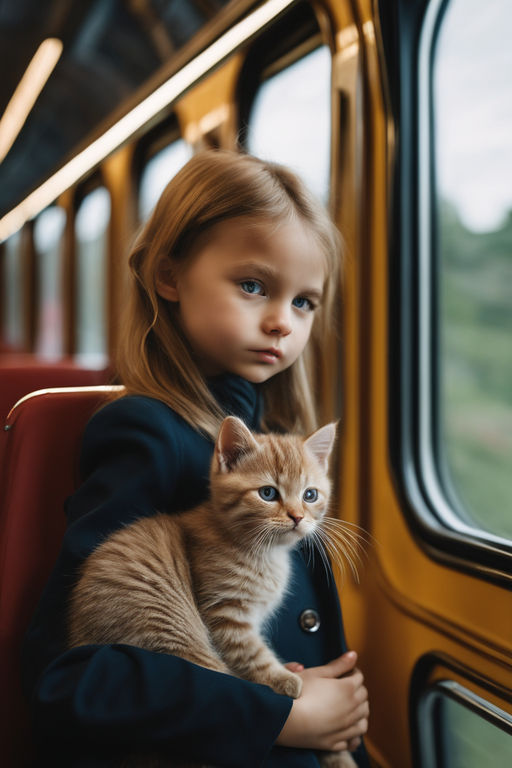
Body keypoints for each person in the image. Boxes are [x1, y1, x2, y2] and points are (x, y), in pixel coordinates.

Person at [22, 150, 370, 767]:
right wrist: (285, 716)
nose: (281, 323)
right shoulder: (147, 433)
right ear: (169, 276)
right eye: (254, 285)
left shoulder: (275, 441)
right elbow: (72, 677)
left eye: (304, 302)